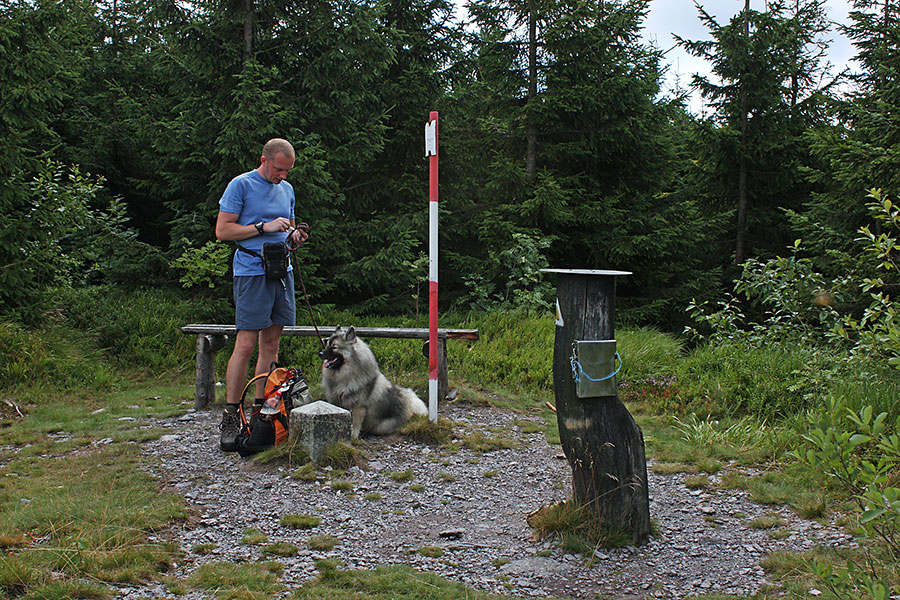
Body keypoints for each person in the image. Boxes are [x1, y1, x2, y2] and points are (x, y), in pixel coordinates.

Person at [214, 138, 309, 451]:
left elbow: (289, 228)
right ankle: (230, 414)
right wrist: (261, 227)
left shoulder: (288, 189)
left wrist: (295, 234)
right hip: (252, 271)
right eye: (279, 169)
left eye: (287, 170)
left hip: (281, 270)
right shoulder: (241, 185)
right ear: (264, 160)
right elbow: (223, 231)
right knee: (244, 344)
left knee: (271, 344)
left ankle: (260, 413)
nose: (282, 175)